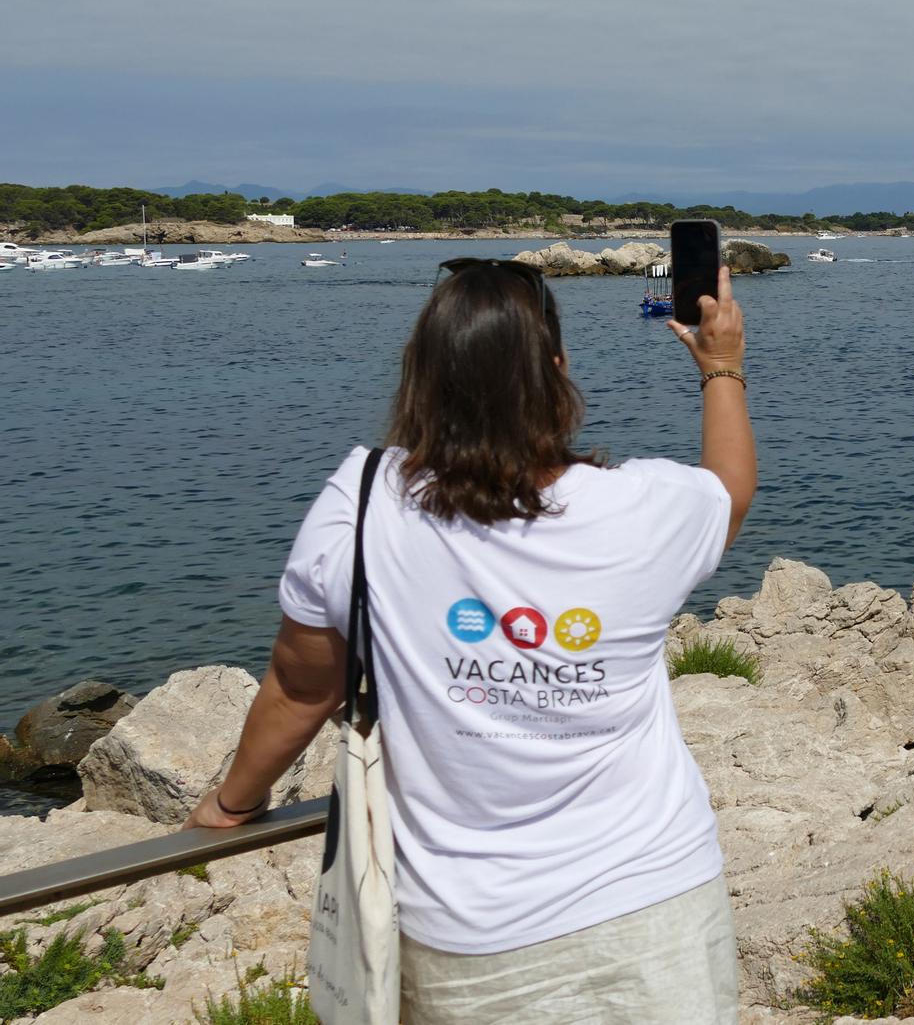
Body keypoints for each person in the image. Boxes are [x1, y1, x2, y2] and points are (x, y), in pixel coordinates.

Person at [187, 259, 756, 1024]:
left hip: (467, 934)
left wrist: (232, 804)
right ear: (556, 373)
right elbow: (730, 488)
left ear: (422, 377)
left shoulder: (361, 502)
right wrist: (722, 367)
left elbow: (301, 687)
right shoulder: (644, 507)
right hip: (654, 906)